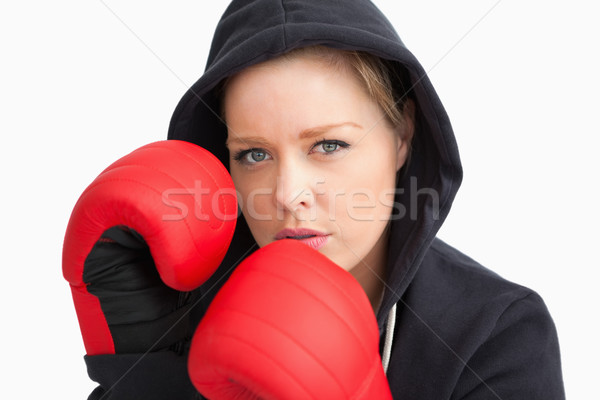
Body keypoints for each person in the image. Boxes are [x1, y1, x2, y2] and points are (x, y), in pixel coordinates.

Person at [69, 0, 565, 398]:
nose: (287, 195)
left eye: (329, 145)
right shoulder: (182, 312)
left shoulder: (497, 332)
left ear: (402, 135)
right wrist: (149, 378)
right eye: (254, 154)